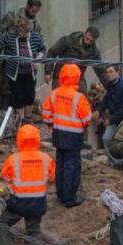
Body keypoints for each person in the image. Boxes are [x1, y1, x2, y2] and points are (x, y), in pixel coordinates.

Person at [0, 124, 55, 245]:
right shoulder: (46, 159)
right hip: (38, 203)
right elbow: (52, 178)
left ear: (19, 139)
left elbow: (6, 178)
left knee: (3, 224)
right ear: (37, 139)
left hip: (18, 203)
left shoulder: (13, 159)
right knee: (34, 231)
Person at [41, 64, 92, 207]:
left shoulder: (54, 93)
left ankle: (61, 193)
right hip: (74, 136)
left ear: (62, 76)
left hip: (58, 134)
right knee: (72, 165)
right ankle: (69, 198)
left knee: (61, 163)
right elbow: (87, 118)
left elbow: (45, 114)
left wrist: (52, 124)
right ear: (77, 77)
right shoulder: (79, 97)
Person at [0, 16, 46, 122]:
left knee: (30, 95)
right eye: (18, 30)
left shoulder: (35, 37)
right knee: (18, 96)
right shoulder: (10, 36)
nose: (19, 33)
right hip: (15, 73)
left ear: (28, 30)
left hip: (30, 73)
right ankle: (21, 120)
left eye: (21, 31)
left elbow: (42, 49)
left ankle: (28, 118)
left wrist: (38, 59)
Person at [94, 65, 123, 151]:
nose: (108, 74)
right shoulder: (110, 86)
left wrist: (111, 120)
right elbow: (106, 100)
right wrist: (98, 110)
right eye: (107, 72)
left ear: (117, 72)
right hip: (116, 119)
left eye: (111, 71)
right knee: (106, 138)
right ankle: (115, 162)